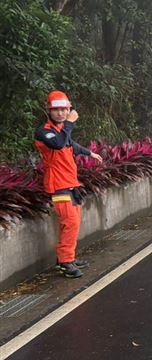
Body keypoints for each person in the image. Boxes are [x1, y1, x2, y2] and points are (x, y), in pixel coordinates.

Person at [34, 91, 103, 278]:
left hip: (70, 183)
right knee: (70, 222)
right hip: (58, 185)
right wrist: (70, 123)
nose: (61, 113)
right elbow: (58, 144)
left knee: (74, 222)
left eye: (64, 109)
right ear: (49, 111)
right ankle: (65, 262)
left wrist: (90, 153)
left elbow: (71, 144)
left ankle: (68, 257)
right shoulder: (45, 132)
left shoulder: (62, 132)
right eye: (56, 110)